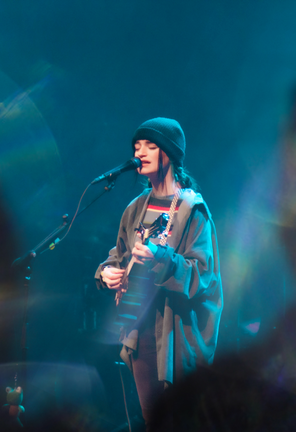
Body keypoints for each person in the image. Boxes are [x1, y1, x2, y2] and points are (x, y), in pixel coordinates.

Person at [94, 117, 223, 427]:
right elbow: (118, 254)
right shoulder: (135, 207)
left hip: (175, 333)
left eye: (151, 146)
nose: (141, 152)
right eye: (137, 146)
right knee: (153, 421)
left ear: (169, 153)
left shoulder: (192, 209)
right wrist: (106, 272)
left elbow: (204, 276)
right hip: (140, 333)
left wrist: (160, 258)